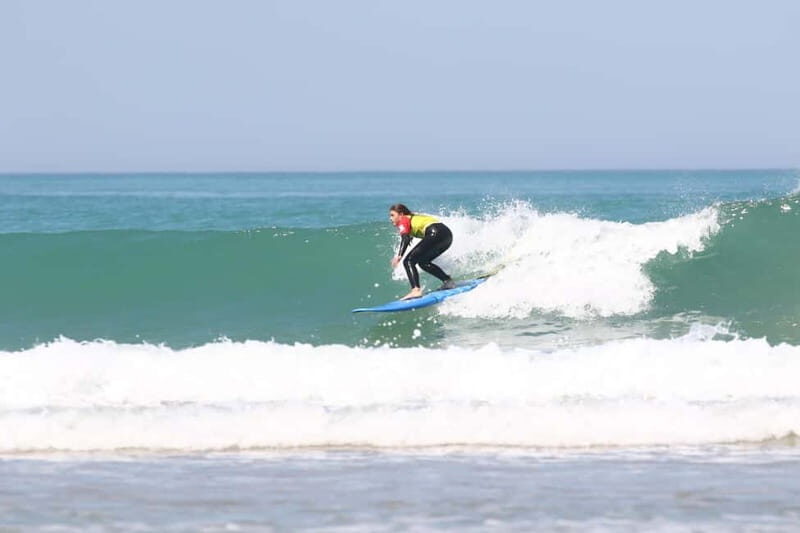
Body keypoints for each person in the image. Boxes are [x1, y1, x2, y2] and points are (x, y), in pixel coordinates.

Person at [389, 203, 456, 300]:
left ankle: (415, 290)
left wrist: (399, 256)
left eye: (392, 215)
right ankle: (448, 281)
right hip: (447, 235)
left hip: (435, 232)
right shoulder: (412, 218)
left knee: (408, 261)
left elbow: (405, 238)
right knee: (423, 262)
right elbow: (408, 238)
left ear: (401, 214)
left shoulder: (403, 220)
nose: (390, 218)